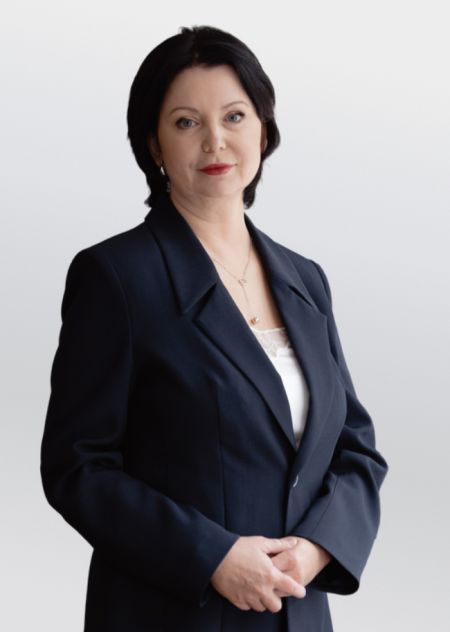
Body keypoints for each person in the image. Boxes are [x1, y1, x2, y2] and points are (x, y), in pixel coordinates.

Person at [40, 25, 389, 632]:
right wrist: (212, 558)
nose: (215, 141)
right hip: (172, 614)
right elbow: (78, 467)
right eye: (186, 122)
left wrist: (316, 549)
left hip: (298, 610)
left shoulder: (306, 280)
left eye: (234, 116)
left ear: (264, 129)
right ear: (153, 142)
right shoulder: (117, 277)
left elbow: (355, 448)